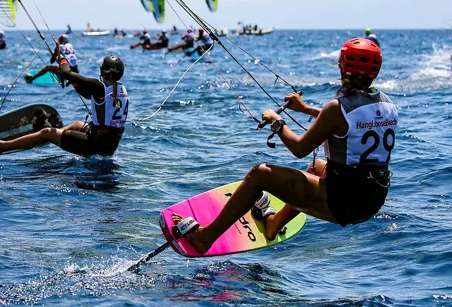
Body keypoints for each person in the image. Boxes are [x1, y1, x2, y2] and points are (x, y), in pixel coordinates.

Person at [169, 38, 397, 254]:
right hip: (372, 199)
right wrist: (307, 109)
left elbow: (299, 149)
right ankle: (274, 223)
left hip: (345, 202)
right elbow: (348, 123)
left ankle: (204, 238)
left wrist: (277, 123)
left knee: (260, 174)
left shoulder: (336, 108)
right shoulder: (386, 104)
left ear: (342, 66)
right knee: (317, 166)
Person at [0, 50, 128, 158]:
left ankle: (1, 146)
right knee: (78, 124)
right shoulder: (120, 89)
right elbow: (90, 95)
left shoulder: (98, 86)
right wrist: (75, 84)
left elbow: (67, 73)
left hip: (95, 146)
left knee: (47, 133)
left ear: (102, 70)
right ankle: (50, 136)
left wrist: (62, 59)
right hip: (109, 145)